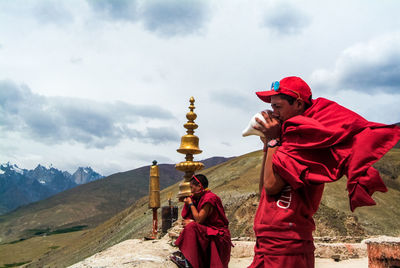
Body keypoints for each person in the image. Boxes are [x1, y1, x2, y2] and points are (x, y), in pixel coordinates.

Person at [248, 76, 400, 268]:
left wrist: (272, 141)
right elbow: (263, 190)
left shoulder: (306, 139)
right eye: (272, 106)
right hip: (270, 239)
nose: (273, 112)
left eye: (278, 106)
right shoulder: (285, 139)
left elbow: (271, 187)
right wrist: (268, 146)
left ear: (298, 103)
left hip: (287, 243)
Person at [171, 174, 232, 268]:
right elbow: (186, 216)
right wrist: (187, 203)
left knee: (192, 227)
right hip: (209, 229)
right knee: (190, 226)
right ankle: (188, 258)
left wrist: (191, 204)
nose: (191, 190)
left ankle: (188, 263)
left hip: (218, 234)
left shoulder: (209, 198)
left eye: (192, 187)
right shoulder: (200, 198)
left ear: (199, 186)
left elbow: (199, 220)